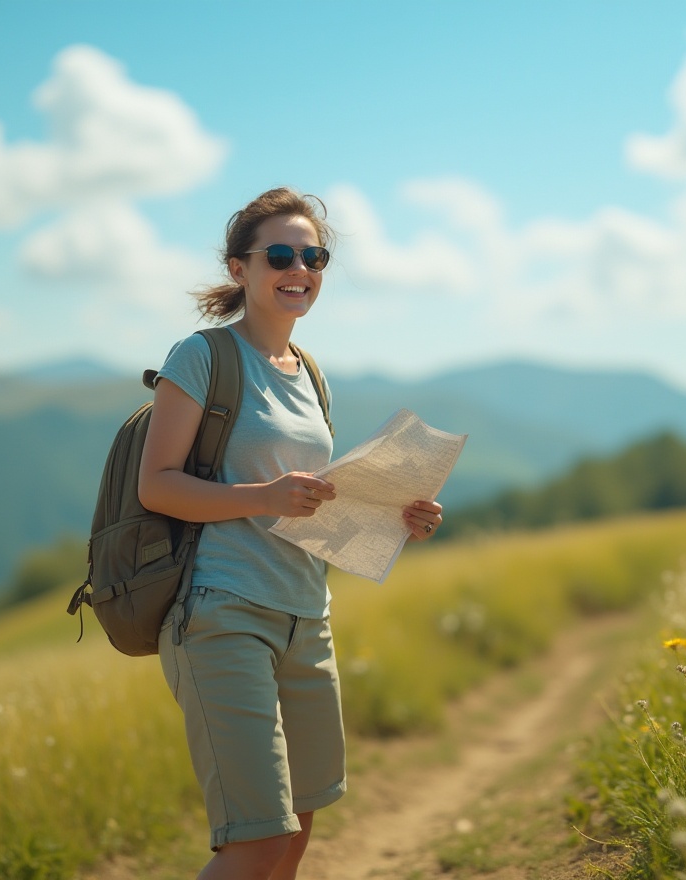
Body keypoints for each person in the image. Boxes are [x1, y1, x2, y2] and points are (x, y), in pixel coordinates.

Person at [138, 187, 443, 880]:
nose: (298, 267)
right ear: (240, 268)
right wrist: (264, 497)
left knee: (298, 828)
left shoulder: (310, 374)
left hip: (309, 616)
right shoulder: (202, 357)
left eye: (313, 255)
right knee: (257, 838)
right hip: (224, 611)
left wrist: (399, 515)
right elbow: (156, 485)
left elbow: (310, 505)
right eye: (279, 254)